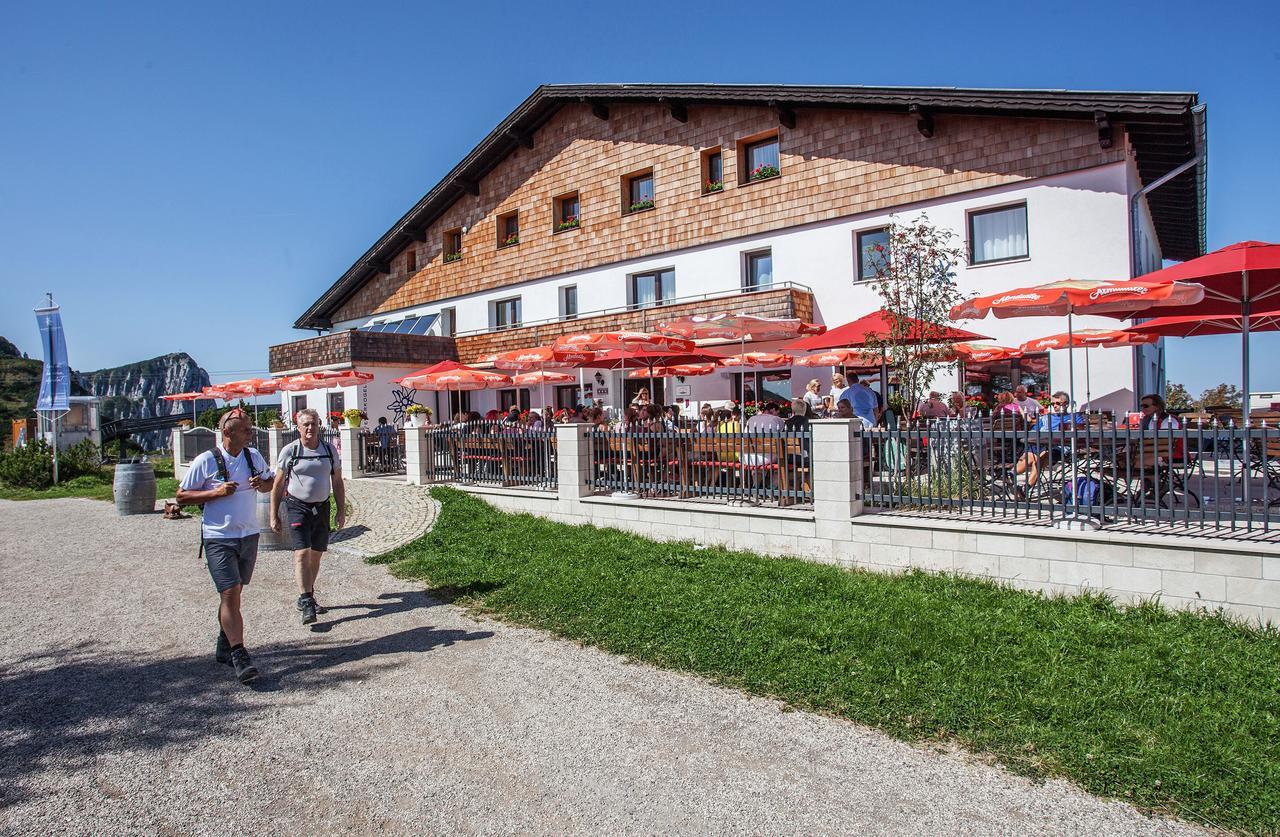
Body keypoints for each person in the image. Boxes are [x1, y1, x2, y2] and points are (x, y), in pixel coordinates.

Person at [176, 408, 275, 684]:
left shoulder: (252, 456)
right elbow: (182, 496)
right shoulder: (206, 461)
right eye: (246, 429)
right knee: (230, 592)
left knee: (236, 592)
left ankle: (225, 641)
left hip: (248, 534)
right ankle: (240, 654)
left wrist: (263, 483)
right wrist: (215, 492)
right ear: (227, 432)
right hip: (218, 537)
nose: (251, 432)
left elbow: (270, 482)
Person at [271, 408, 346, 627]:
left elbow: (338, 482)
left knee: (316, 555)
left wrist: (340, 510)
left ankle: (308, 595)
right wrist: (273, 514)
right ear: (298, 427)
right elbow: (277, 484)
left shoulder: (329, 450)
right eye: (305, 424)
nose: (310, 428)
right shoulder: (290, 451)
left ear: (319, 425)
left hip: (322, 507)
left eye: (313, 423)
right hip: (297, 507)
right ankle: (306, 601)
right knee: (301, 553)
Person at [1012, 391, 1082, 493]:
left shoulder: (1074, 417)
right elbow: (1032, 433)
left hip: (1058, 448)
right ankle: (1010, 474)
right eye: (1052, 404)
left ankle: (1025, 488)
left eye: (1058, 403)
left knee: (1041, 457)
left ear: (1066, 404)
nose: (1055, 406)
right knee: (1029, 456)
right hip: (1040, 446)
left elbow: (1080, 433)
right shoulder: (1045, 418)